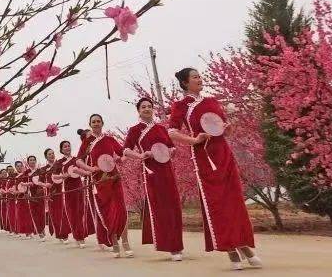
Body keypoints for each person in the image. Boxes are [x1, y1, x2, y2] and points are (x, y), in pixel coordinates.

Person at [168, 68, 262, 271]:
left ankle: (244, 245)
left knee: (235, 200)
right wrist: (193, 140)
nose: (200, 79)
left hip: (224, 154)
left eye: (200, 76)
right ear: (185, 83)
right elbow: (172, 132)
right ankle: (231, 250)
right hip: (204, 157)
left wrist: (228, 129)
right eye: (195, 77)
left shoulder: (211, 102)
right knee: (217, 202)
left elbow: (222, 128)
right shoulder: (181, 106)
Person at [123, 97, 184, 261]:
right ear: (138, 110)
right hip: (151, 173)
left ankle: (177, 244)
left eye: (149, 106)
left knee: (174, 207)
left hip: (167, 171)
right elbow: (126, 151)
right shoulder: (135, 130)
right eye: (143, 107)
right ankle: (171, 247)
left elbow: (172, 147)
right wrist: (141, 155)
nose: (147, 109)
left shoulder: (161, 128)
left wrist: (172, 151)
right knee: (161, 207)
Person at [78, 114, 132, 258]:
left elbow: (122, 154)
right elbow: (78, 161)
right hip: (99, 181)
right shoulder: (87, 142)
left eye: (98, 121)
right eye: (93, 122)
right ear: (90, 124)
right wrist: (91, 169)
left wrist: (123, 159)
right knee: (108, 212)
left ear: (102, 123)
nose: (96, 123)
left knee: (121, 210)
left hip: (114, 177)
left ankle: (125, 241)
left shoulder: (109, 139)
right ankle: (114, 243)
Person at [60, 140, 88, 248]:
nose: (67, 148)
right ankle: (78, 236)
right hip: (68, 189)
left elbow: (82, 169)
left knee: (80, 212)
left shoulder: (76, 159)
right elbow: (56, 176)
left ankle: (80, 235)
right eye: (65, 147)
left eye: (68, 146)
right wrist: (66, 175)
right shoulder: (60, 163)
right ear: (61, 150)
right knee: (72, 213)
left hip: (79, 187)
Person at [49, 143, 71, 243]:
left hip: (72, 188)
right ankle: (63, 234)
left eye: (52, 153)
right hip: (57, 191)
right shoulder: (46, 168)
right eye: (49, 154)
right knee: (60, 213)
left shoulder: (71, 160)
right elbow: (53, 178)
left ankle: (76, 233)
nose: (52, 155)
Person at [25, 155, 47, 239]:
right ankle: (40, 231)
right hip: (31, 196)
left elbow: (43, 181)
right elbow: (21, 183)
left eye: (34, 160)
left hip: (40, 194)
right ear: (28, 162)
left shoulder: (40, 171)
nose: (32, 161)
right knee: (35, 214)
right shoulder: (26, 173)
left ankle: (42, 228)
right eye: (30, 160)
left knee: (41, 213)